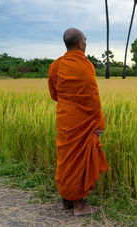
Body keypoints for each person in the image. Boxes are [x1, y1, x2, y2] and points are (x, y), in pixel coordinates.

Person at [48, 28, 109, 216]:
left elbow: (54, 94)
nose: (86, 43)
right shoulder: (85, 66)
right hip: (83, 121)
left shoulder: (55, 66)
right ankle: (79, 206)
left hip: (66, 119)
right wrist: (99, 123)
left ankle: (66, 200)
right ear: (80, 44)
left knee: (66, 158)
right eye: (85, 40)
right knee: (79, 160)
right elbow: (93, 100)